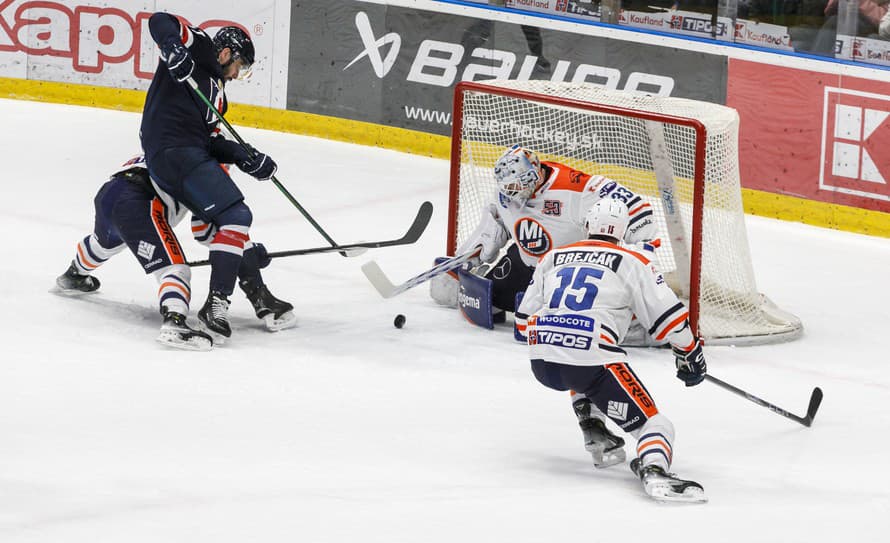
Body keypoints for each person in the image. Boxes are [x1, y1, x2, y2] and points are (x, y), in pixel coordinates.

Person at [514, 199, 708, 503]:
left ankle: (593, 427)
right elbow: (670, 320)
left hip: (541, 361)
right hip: (589, 362)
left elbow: (522, 323)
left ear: (588, 225)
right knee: (656, 425)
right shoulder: (632, 260)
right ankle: (655, 470)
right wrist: (689, 353)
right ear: (624, 231)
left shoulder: (554, 256)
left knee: (580, 366)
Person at [55, 155, 296, 350]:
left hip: (110, 192)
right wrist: (247, 254)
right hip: (141, 202)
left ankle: (73, 275)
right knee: (174, 269)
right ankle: (175, 322)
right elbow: (206, 230)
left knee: (104, 243)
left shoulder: (169, 146)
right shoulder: (205, 167)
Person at [140, 12, 278, 341]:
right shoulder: (200, 48)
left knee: (229, 224)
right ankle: (216, 305)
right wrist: (173, 48)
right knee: (238, 214)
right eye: (240, 65)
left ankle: (253, 290)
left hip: (190, 157)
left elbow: (211, 143)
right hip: (171, 151)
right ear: (226, 52)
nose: (237, 73)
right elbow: (160, 20)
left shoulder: (219, 98)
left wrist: (245, 156)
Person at [431, 145, 659, 328]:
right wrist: (464, 260)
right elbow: (492, 229)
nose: (512, 194)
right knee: (489, 303)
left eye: (516, 187)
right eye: (507, 188)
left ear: (535, 176)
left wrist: (641, 261)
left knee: (569, 323)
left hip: (566, 276)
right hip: (524, 264)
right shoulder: (505, 192)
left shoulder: (576, 188)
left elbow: (639, 211)